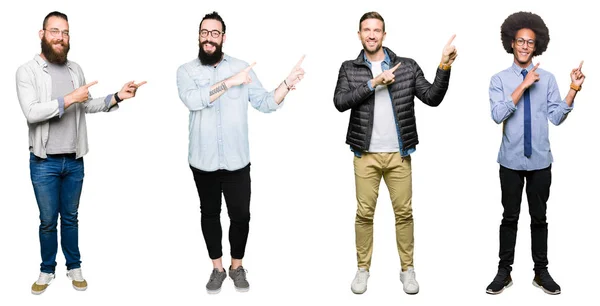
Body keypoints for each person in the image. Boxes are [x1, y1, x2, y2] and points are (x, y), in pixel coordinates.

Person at [16, 11, 146, 295]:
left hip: (74, 161)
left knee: (71, 217)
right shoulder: (27, 71)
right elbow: (32, 112)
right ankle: (47, 269)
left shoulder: (75, 70)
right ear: (42, 35)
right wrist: (69, 98)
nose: (60, 37)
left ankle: (74, 265)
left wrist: (117, 97)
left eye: (65, 32)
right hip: (43, 162)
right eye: (54, 31)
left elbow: (84, 107)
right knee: (48, 221)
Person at [176, 11, 305, 294]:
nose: (208, 38)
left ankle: (236, 267)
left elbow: (265, 102)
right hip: (203, 161)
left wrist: (286, 84)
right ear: (199, 36)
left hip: (237, 161)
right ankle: (217, 269)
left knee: (241, 216)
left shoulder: (242, 67)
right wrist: (229, 83)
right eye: (204, 32)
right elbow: (194, 100)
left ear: (223, 37)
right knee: (209, 214)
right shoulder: (186, 71)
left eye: (214, 33)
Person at [333, 11, 457, 295]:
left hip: (399, 155)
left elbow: (432, 98)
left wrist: (444, 67)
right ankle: (362, 270)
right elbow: (340, 102)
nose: (372, 35)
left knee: (404, 213)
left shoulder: (407, 67)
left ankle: (407, 270)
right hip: (365, 155)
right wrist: (373, 83)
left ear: (384, 35)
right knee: (364, 214)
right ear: (359, 34)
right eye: (367, 30)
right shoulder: (349, 68)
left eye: (377, 30)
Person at [485, 11, 585, 296]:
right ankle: (504, 272)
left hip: (541, 161)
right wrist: (523, 84)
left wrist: (573, 90)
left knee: (539, 218)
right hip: (510, 161)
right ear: (511, 43)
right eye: (520, 41)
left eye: (530, 42)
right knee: (510, 217)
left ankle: (541, 272)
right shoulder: (499, 79)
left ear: (536, 45)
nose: (525, 46)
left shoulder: (549, 79)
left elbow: (556, 117)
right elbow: (497, 114)